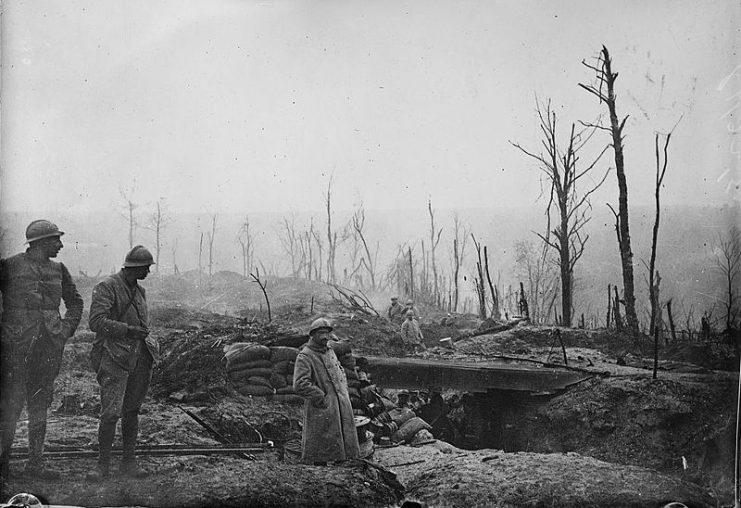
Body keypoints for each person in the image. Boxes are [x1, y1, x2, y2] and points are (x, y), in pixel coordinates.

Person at [0, 220, 83, 479]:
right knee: (10, 406)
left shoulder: (59, 269)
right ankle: (2, 467)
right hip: (15, 348)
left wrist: (65, 330)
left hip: (48, 348)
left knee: (40, 405)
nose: (60, 245)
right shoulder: (9, 266)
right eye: (56, 240)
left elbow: (75, 302)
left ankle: (35, 465)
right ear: (40, 242)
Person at [87, 246, 159, 479]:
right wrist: (128, 330)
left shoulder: (140, 291)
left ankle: (129, 462)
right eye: (146, 267)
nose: (149, 271)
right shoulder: (107, 287)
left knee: (132, 411)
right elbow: (96, 321)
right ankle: (102, 466)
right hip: (114, 356)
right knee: (110, 413)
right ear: (134, 268)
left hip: (140, 357)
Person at [293, 317, 359, 465]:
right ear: (312, 335)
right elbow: (300, 384)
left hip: (339, 404)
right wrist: (321, 397)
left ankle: (341, 465)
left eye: (326, 333)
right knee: (321, 447)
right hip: (322, 407)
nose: (324, 336)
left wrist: (343, 392)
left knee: (342, 443)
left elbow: (339, 369)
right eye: (320, 333)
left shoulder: (330, 351)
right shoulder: (305, 356)